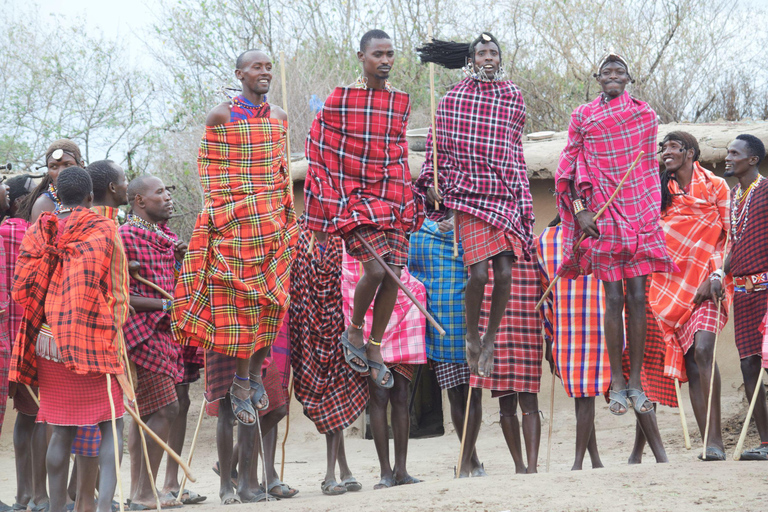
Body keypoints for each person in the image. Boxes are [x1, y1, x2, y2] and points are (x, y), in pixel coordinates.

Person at [171, 48, 297, 505]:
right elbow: (212, 175)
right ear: (239, 74)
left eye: (269, 67)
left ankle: (249, 477)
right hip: (232, 242)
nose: (264, 73)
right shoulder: (220, 116)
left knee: (270, 304)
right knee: (225, 403)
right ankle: (228, 485)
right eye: (256, 68)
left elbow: (281, 176)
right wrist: (233, 216)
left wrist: (281, 217)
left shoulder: (280, 118)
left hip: (269, 234)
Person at [555, 52, 674, 463]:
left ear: (629, 78)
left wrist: (644, 209)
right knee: (613, 297)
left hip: (637, 208)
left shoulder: (645, 116)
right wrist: (579, 209)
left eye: (619, 71)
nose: (612, 76)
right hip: (600, 210)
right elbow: (568, 165)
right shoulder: (583, 116)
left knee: (638, 295)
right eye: (606, 71)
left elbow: (644, 170)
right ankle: (618, 380)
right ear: (597, 77)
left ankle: (637, 380)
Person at [304, 29, 422, 390]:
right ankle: (354, 330)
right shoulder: (341, 100)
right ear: (361, 57)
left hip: (392, 197)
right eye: (378, 55)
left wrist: (408, 196)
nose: (385, 61)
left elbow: (397, 153)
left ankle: (374, 346)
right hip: (354, 200)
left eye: (390, 54)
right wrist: (328, 209)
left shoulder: (399, 101)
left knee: (395, 274)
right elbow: (319, 152)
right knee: (375, 268)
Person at [416, 32, 534, 379]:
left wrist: (522, 196)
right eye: (481, 52)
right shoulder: (453, 98)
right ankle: (471, 334)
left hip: (505, 194)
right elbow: (437, 148)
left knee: (506, 274)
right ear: (470, 60)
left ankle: (491, 336)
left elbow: (514, 150)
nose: (487, 58)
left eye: (492, 52)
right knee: (479, 274)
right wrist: (434, 183)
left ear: (500, 59)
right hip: (468, 197)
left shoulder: (512, 96)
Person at [10, 167, 129, 512]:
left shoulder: (38, 231)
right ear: (91, 198)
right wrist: (113, 328)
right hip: (94, 339)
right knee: (111, 424)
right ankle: (104, 506)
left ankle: (57, 506)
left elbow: (22, 290)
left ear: (56, 196)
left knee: (60, 430)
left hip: (48, 343)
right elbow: (119, 290)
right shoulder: (105, 227)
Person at [648, 132, 731, 461]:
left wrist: (716, 274)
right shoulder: (659, 190)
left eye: (672, 147)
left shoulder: (715, 187)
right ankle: (708, 442)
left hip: (709, 281)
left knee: (704, 349)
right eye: (662, 148)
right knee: (692, 364)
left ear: (690, 152)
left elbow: (730, 235)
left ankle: (716, 439)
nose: (665, 153)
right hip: (670, 286)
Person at [120, 175, 184, 509]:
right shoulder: (127, 235)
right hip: (142, 330)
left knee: (147, 413)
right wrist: (165, 304)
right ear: (139, 201)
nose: (168, 197)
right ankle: (144, 492)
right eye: (160, 192)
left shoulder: (166, 236)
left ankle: (140, 492)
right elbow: (122, 292)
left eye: (167, 190)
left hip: (165, 330)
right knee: (165, 409)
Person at [290, 227, 368, 496]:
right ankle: (342, 471)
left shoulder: (340, 240)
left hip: (339, 328)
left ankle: (332, 475)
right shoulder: (297, 238)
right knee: (325, 401)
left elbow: (353, 281)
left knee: (335, 397)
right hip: (308, 333)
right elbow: (296, 288)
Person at [408, 214, 486, 478]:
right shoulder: (418, 233)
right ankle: (470, 459)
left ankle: (466, 461)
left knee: (472, 394)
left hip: (471, 322)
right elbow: (412, 275)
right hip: (443, 322)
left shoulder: (470, 228)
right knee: (456, 394)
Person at [341, 247, 425, 489]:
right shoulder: (351, 244)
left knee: (400, 395)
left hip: (402, 313)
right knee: (378, 395)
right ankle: (385, 472)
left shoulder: (393, 233)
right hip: (368, 320)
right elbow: (352, 279)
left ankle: (401, 470)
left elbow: (400, 269)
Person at [712, 134, 768, 460]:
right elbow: (734, 245)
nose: (728, 157)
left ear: (753, 160)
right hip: (745, 293)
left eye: (735, 153)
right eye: (728, 151)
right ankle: (765, 442)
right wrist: (720, 273)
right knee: (749, 365)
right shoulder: (733, 197)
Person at [538, 215, 609, 471]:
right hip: (571, 325)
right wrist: (549, 338)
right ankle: (594, 461)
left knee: (586, 394)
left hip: (594, 324)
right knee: (582, 396)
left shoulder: (602, 231)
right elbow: (546, 295)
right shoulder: (545, 240)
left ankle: (579, 463)